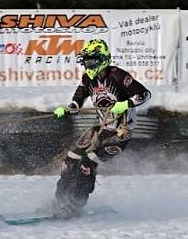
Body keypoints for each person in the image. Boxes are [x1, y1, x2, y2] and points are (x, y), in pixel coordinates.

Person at [52, 39, 151, 217]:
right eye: (86, 61)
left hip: (121, 133)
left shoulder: (118, 75)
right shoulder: (87, 78)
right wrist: (69, 109)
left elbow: (144, 94)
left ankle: (76, 204)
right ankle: (60, 200)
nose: (89, 64)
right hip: (102, 128)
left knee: (87, 162)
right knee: (70, 159)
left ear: (103, 59)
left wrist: (125, 104)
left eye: (92, 60)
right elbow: (78, 98)